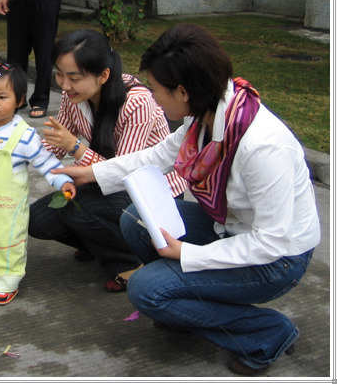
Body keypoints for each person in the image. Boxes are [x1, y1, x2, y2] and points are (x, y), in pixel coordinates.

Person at [52, 23, 320, 375]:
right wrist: (90, 173)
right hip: (231, 227)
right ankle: (183, 305)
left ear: (182, 92)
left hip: (279, 259)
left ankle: (268, 332)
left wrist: (188, 254)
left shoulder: (262, 147)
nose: (152, 97)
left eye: (155, 89)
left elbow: (272, 241)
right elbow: (158, 155)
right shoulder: (208, 113)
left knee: (146, 291)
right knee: (134, 219)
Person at [28, 29, 187, 293]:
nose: (64, 85)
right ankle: (99, 243)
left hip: (152, 190)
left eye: (74, 78)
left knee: (77, 208)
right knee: (37, 220)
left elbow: (125, 174)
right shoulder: (73, 96)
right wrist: (18, 151)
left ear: (103, 75)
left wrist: (76, 147)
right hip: (103, 182)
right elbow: (54, 145)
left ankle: (131, 261)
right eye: (59, 74)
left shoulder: (136, 102)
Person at [0, 62, 76, 305]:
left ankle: (5, 282)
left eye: (2, 97)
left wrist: (62, 181)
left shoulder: (24, 135)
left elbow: (46, 161)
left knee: (6, 243)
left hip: (8, 209)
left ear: (20, 100)